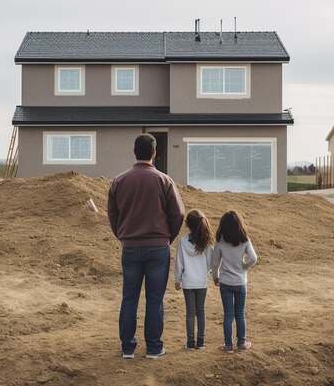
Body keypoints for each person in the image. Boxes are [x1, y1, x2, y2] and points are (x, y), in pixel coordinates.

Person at [108, 134, 185, 360]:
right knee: (155, 299)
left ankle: (127, 348)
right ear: (154, 153)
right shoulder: (164, 180)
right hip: (158, 247)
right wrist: (167, 237)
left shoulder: (119, 180)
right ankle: (153, 347)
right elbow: (178, 213)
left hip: (130, 246)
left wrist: (122, 235)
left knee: (129, 297)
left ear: (134, 152)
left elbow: (112, 213)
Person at [212, 210, 257, 353]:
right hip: (240, 282)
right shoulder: (245, 240)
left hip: (225, 283)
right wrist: (244, 267)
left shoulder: (220, 243)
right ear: (239, 224)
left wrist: (215, 277)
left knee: (228, 315)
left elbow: (215, 264)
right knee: (240, 313)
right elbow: (254, 258)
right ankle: (242, 342)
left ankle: (228, 345)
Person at [174, 209, 214, 350]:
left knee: (190, 313)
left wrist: (177, 279)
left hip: (187, 282)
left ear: (188, 225)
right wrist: (206, 272)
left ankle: (190, 342)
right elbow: (211, 262)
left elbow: (179, 263)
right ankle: (201, 342)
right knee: (201, 311)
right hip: (201, 281)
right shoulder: (207, 242)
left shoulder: (182, 242)